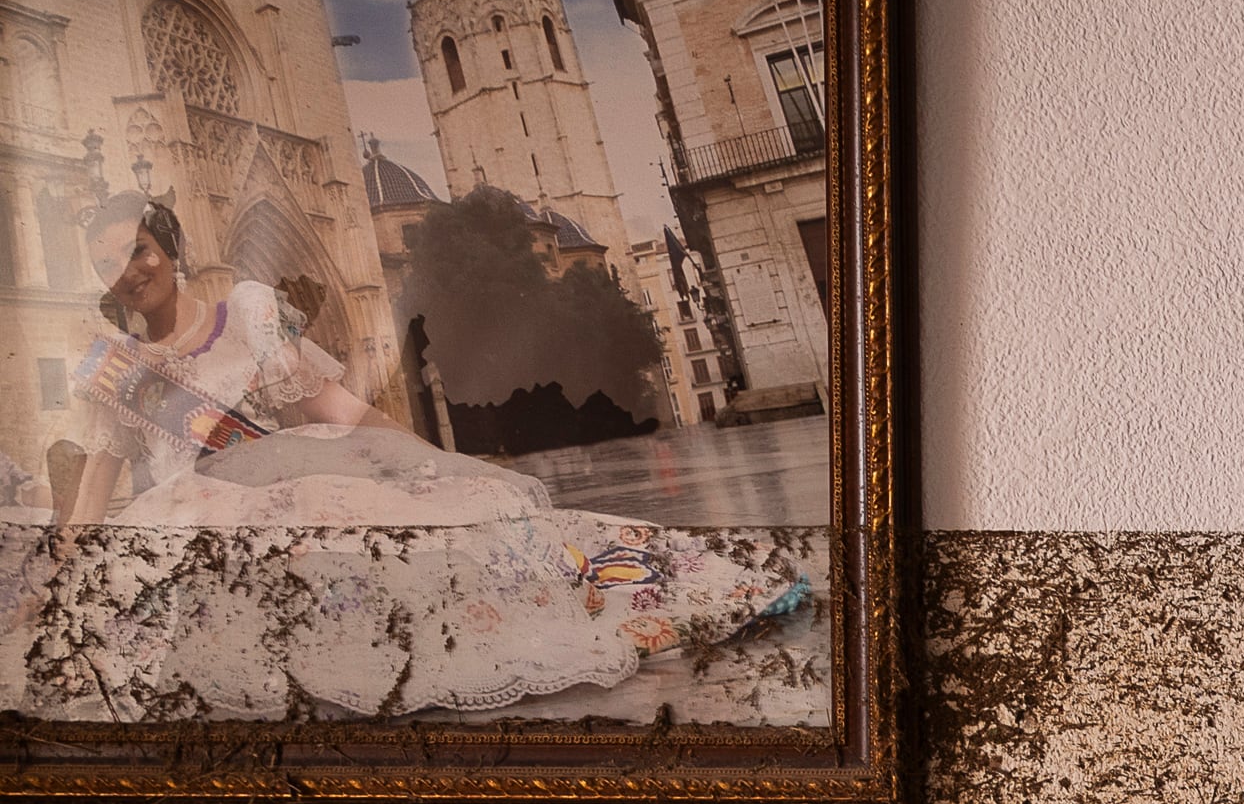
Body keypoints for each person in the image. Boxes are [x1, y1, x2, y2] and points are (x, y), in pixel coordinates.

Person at [6, 193, 807, 718]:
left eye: (140, 246)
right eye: (111, 258)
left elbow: (336, 410)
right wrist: (57, 580)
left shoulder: (248, 315)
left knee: (447, 549)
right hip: (197, 525)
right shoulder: (112, 374)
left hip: (297, 485)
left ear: (169, 245)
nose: (131, 267)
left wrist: (438, 464)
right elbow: (89, 505)